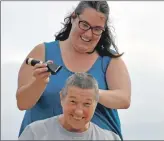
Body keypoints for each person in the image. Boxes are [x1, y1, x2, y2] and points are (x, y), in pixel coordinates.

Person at [16, 1, 131, 140]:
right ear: (73, 18)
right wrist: (39, 82)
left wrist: (87, 93)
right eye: (84, 25)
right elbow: (22, 103)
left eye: (97, 29)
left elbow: (124, 99)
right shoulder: (42, 51)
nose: (88, 34)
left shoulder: (110, 60)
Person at [18, 73, 121, 140]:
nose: (79, 111)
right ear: (61, 98)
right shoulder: (35, 133)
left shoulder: (110, 138)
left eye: (87, 104)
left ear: (96, 103)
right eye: (73, 101)